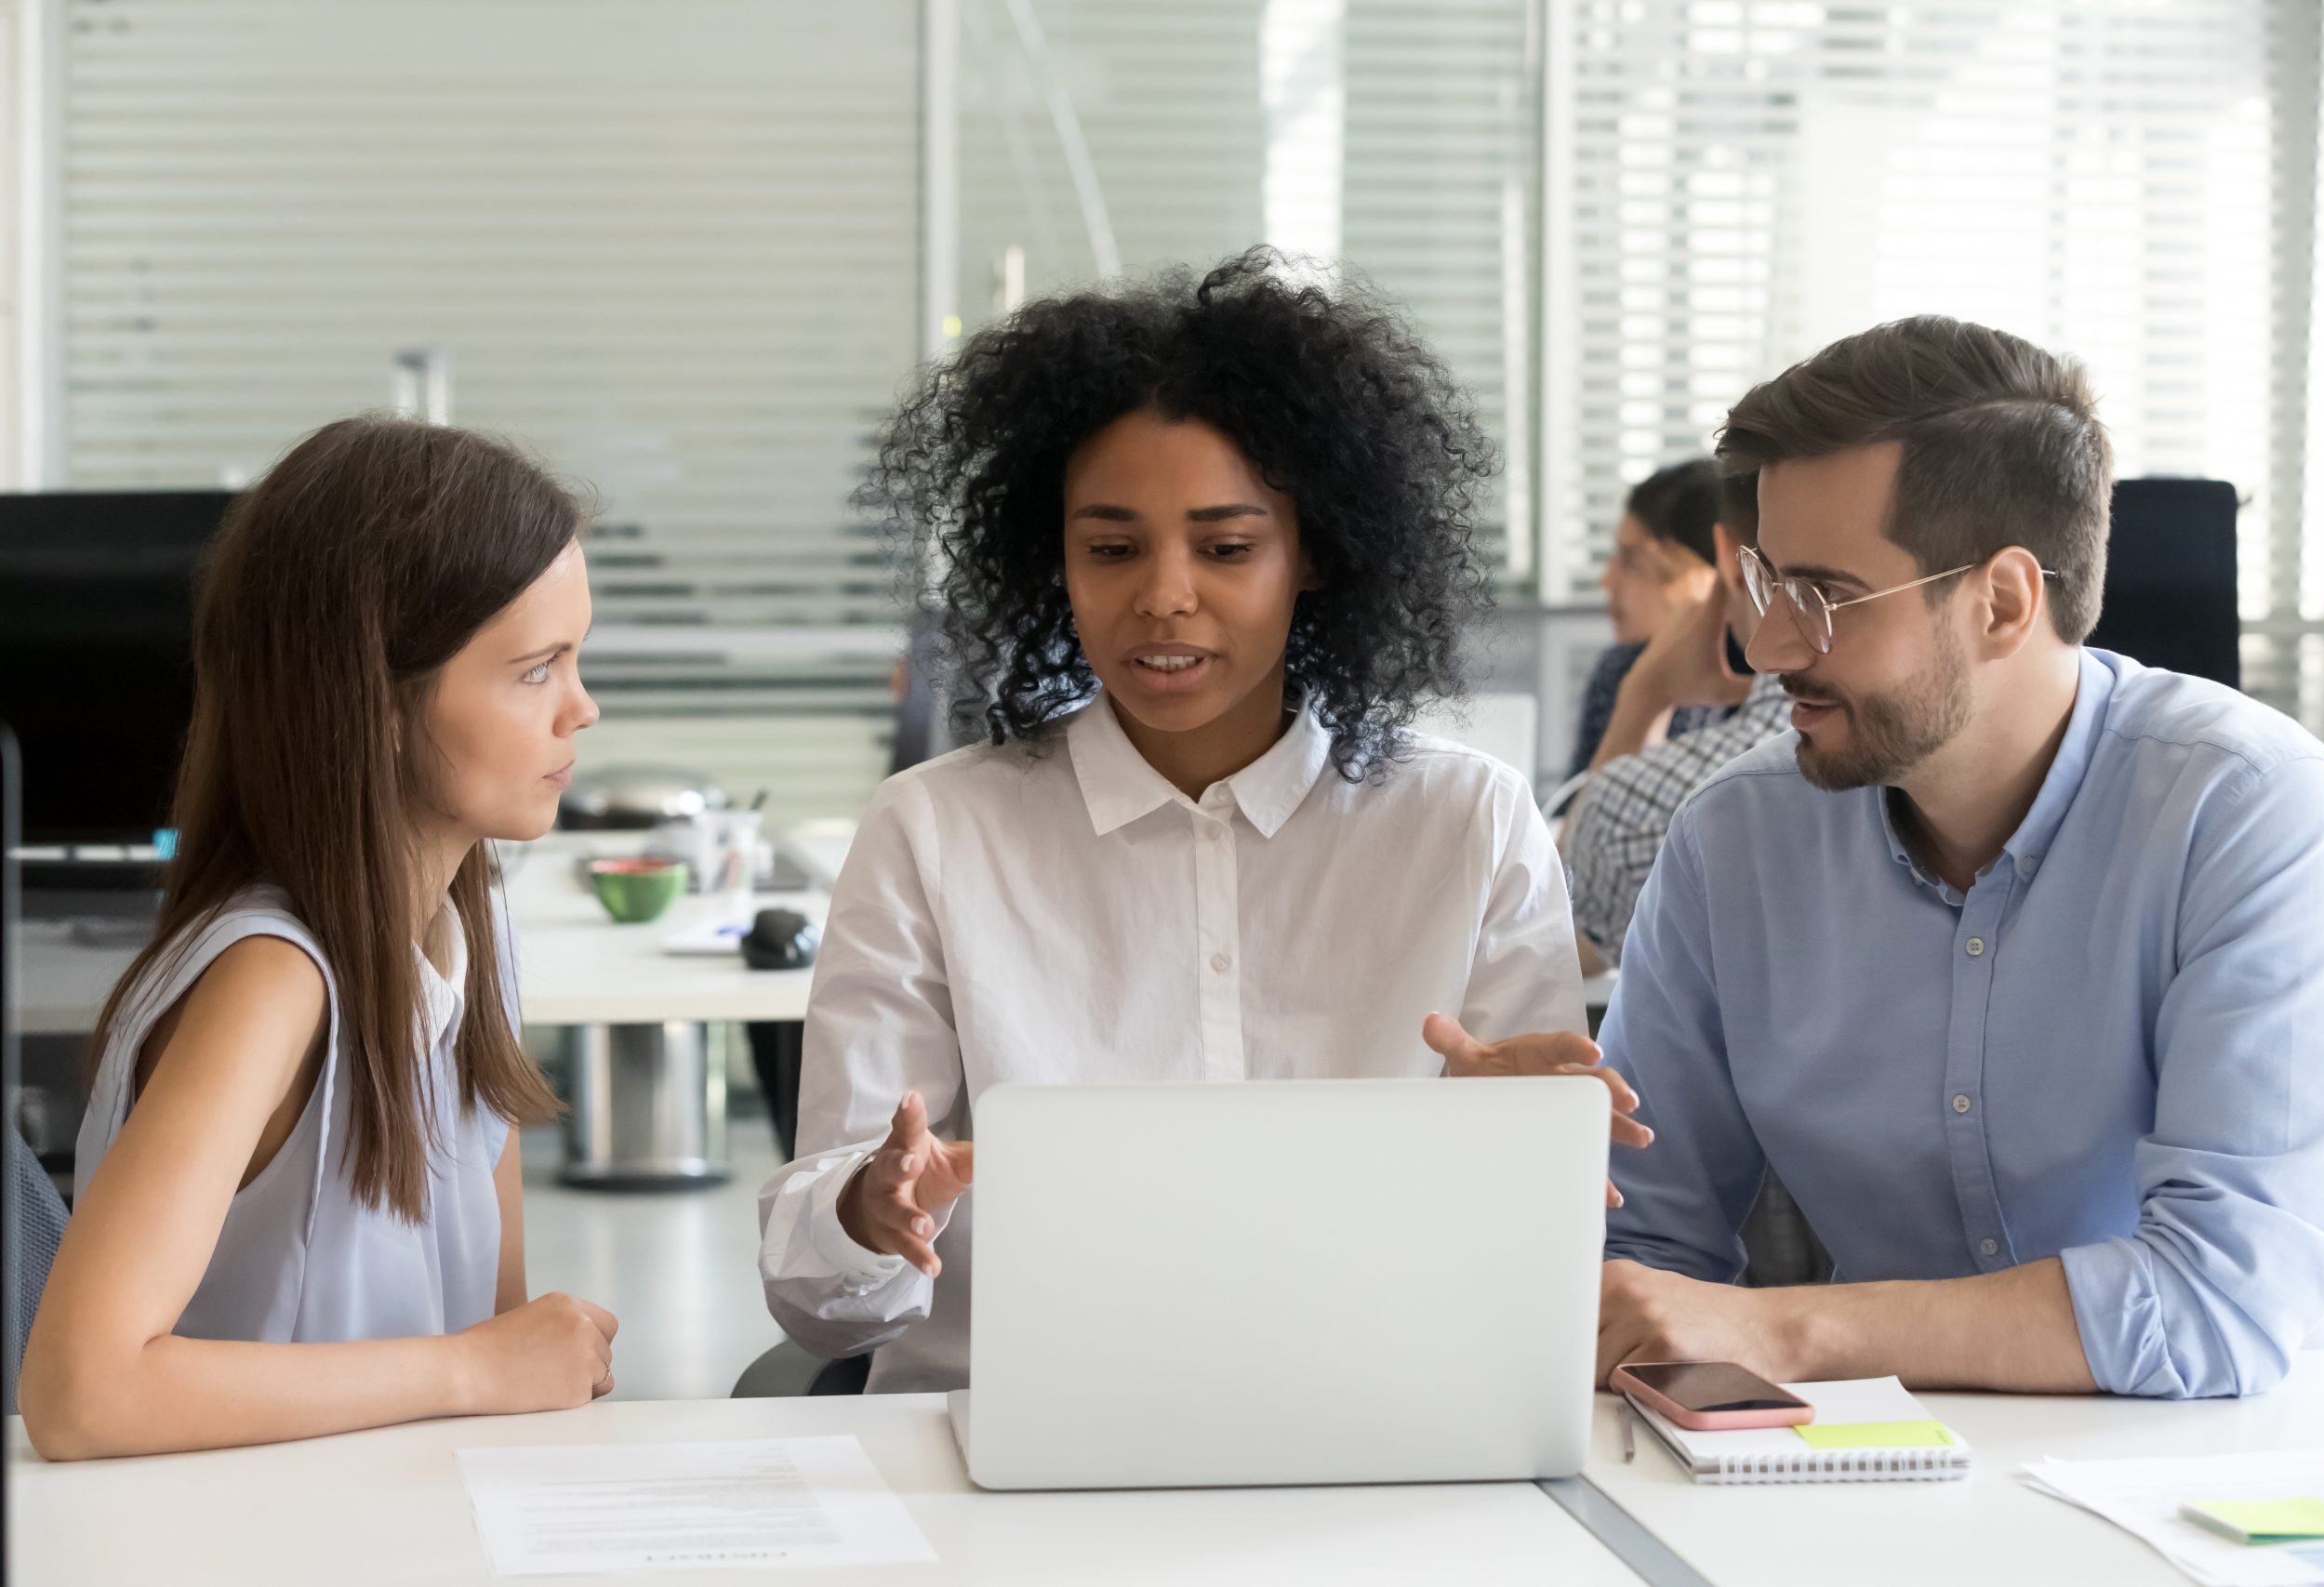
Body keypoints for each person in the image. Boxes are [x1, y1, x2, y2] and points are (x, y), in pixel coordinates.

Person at [757, 249, 1647, 1394]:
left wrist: (1512, 1159)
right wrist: (870, 1212)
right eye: (1111, 548)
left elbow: (1531, 1263)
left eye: (1227, 549)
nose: (1163, 594)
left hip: (1371, 1422)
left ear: (1314, 553)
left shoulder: (1464, 823)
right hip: (1005, 1441)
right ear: (1053, 560)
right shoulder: (933, 832)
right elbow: (817, 1304)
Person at [1597, 316, 2324, 1400]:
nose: (1767, 650)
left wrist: (1783, 1332)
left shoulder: (2240, 804)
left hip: (2227, 1475)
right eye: (1765, 586)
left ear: (2002, 602)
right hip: (1886, 1464)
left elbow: (2217, 1304)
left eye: (1820, 597)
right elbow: (1643, 1264)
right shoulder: (1734, 842)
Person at [21, 417, 618, 1460]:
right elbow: (81, 1393)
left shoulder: (466, 934)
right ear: (378, 704)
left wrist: (504, 1369)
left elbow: (497, 1335)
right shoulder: (273, 979)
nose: (584, 708)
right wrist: (478, 1368)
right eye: (536, 670)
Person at [1562, 470, 1791, 969]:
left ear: (1720, 565)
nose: (1608, 580)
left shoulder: (1648, 784)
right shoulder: (1629, 668)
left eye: (1631, 561)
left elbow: (1557, 920)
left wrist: (1642, 697)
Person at [1565, 459, 1743, 779]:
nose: (1606, 580)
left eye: (1631, 561)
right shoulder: (1620, 670)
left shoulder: (1775, 685)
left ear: (1707, 576)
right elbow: (1574, 813)